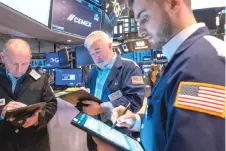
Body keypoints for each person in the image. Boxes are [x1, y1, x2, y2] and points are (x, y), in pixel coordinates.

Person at [93, 0, 226, 151]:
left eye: (144, 18)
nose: (140, 31)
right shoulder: (184, 59)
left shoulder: (202, 62)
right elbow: (173, 113)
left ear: (173, 3)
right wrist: (136, 121)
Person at [83, 31, 145, 151]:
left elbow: (135, 99)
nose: (96, 57)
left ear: (110, 46)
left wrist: (102, 108)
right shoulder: (92, 73)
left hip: (118, 131)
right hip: (94, 131)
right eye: (92, 54)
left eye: (98, 51)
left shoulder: (129, 68)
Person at [0, 39, 57, 151]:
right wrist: (1, 114)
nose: (19, 69)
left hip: (34, 144)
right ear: (2, 57)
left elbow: (52, 104)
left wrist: (37, 119)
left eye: (25, 64)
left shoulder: (41, 79)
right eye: (14, 63)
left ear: (30, 57)